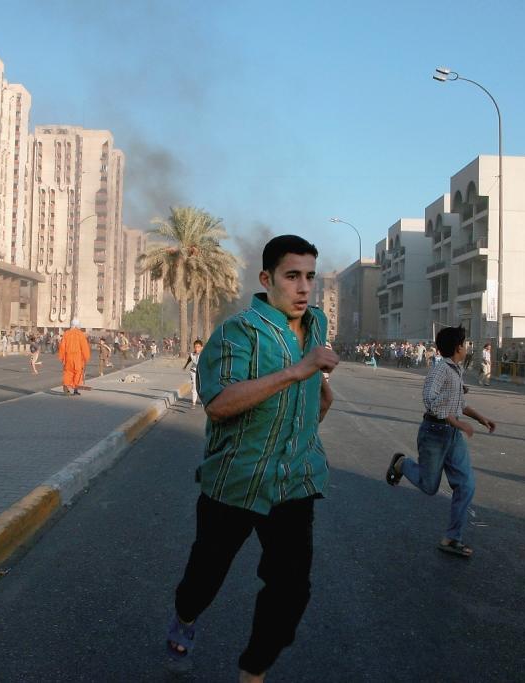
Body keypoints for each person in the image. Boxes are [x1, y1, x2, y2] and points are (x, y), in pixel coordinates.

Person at [165, 235, 338, 681]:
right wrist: (298, 372)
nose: (303, 288)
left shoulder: (316, 324)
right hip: (236, 479)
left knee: (291, 589)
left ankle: (253, 672)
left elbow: (311, 378)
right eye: (292, 276)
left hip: (294, 479)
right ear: (267, 279)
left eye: (310, 278)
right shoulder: (237, 331)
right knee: (203, 579)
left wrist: (319, 389)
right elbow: (219, 403)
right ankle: (186, 616)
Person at [386, 326, 496, 558]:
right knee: (429, 486)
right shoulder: (440, 370)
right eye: (465, 344)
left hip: (453, 437)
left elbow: (458, 404)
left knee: (466, 485)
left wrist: (481, 419)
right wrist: (458, 424)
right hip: (434, 434)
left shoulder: (456, 371)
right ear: (458, 348)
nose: (466, 348)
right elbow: (430, 401)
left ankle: (452, 538)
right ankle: (402, 464)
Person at [57, 320, 91, 396]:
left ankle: (66, 388)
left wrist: (62, 357)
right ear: (78, 326)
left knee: (68, 372)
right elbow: (84, 347)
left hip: (68, 357)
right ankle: (75, 388)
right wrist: (86, 357)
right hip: (77, 358)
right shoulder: (80, 334)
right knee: (78, 372)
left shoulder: (66, 334)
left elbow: (62, 346)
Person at [182, 339, 204, 408]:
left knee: (201, 387)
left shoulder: (204, 354)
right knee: (194, 387)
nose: (197, 348)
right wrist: (185, 366)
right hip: (193, 371)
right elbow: (189, 360)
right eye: (195, 347)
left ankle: (203, 401)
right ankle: (193, 403)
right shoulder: (192, 354)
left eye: (198, 347)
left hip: (202, 372)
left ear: (201, 347)